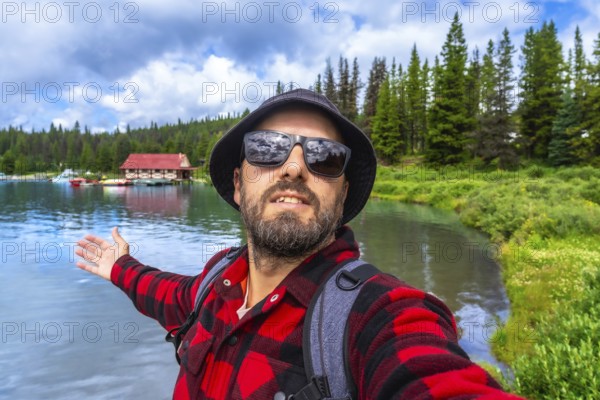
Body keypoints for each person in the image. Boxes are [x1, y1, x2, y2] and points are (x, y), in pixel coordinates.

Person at [75, 88, 524, 399]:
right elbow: (168, 293)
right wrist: (119, 266)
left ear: (343, 193)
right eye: (268, 149)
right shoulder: (216, 283)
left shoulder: (377, 317)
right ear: (237, 184)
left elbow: (427, 374)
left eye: (324, 157)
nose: (293, 168)